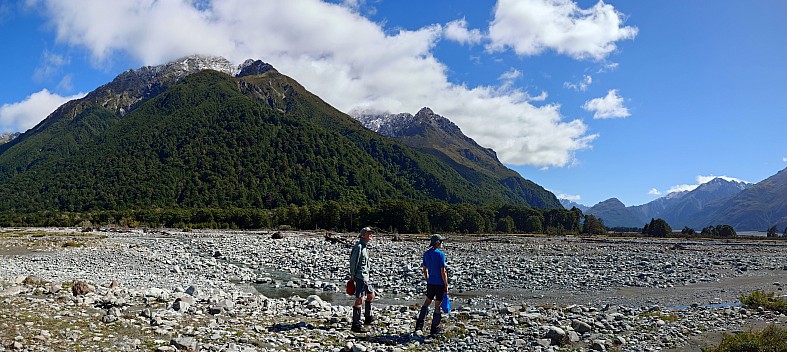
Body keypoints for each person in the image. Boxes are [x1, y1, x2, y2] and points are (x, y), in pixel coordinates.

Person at [415, 234, 448, 336]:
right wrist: (446, 284)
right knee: (437, 306)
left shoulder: (426, 254)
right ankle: (434, 329)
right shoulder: (441, 254)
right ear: (437, 243)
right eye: (441, 242)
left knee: (426, 302)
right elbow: (443, 271)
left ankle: (419, 325)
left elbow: (425, 269)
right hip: (439, 283)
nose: (442, 243)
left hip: (430, 283)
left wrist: (427, 279)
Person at [349, 226, 375, 333]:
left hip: (365, 277)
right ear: (363, 235)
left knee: (371, 295)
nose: (371, 235)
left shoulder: (364, 246)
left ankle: (368, 318)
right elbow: (353, 262)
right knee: (359, 299)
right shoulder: (358, 247)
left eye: (371, 233)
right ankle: (356, 325)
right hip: (360, 277)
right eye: (369, 234)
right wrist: (353, 276)